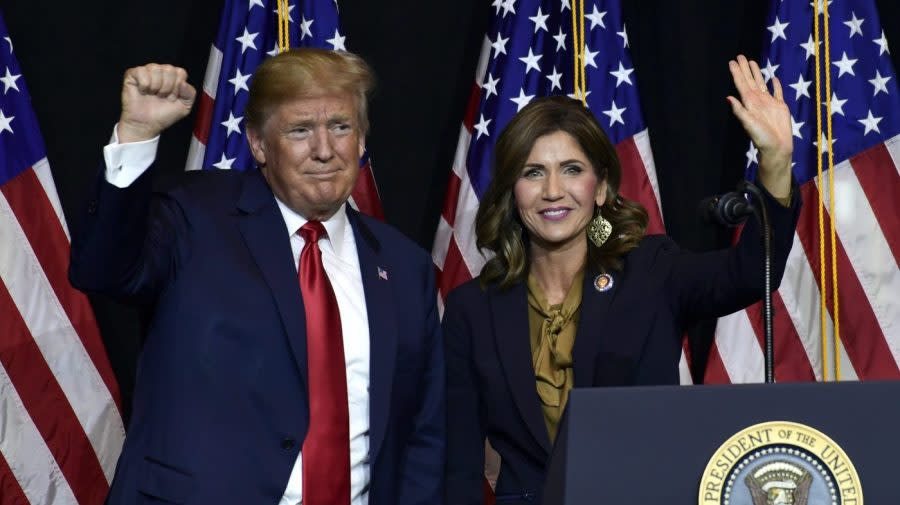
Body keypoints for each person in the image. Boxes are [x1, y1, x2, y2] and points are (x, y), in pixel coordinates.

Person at [69, 48, 444, 504]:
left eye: (341, 127)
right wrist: (137, 136)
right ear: (259, 144)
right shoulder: (194, 217)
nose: (324, 150)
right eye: (300, 130)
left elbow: (422, 432)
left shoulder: (405, 267)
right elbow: (103, 270)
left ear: (362, 140)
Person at [442, 55, 799, 504]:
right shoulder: (470, 309)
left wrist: (776, 162)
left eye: (572, 169)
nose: (553, 190)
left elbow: (749, 274)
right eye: (533, 172)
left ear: (603, 187)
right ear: (513, 191)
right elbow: (458, 464)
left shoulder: (652, 271)